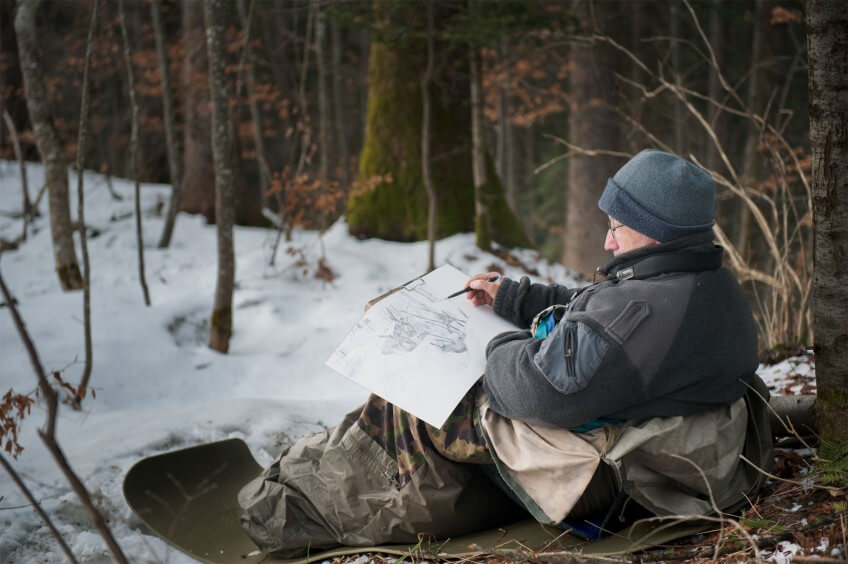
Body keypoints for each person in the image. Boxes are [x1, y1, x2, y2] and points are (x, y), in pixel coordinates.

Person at [238, 149, 773, 556]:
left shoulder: (642, 314)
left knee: (423, 400)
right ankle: (334, 470)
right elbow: (601, 316)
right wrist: (515, 299)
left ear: (657, 234)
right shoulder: (701, 285)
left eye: (618, 229)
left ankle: (300, 508)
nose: (608, 243)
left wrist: (493, 342)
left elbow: (540, 392)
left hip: (602, 480)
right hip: (646, 454)